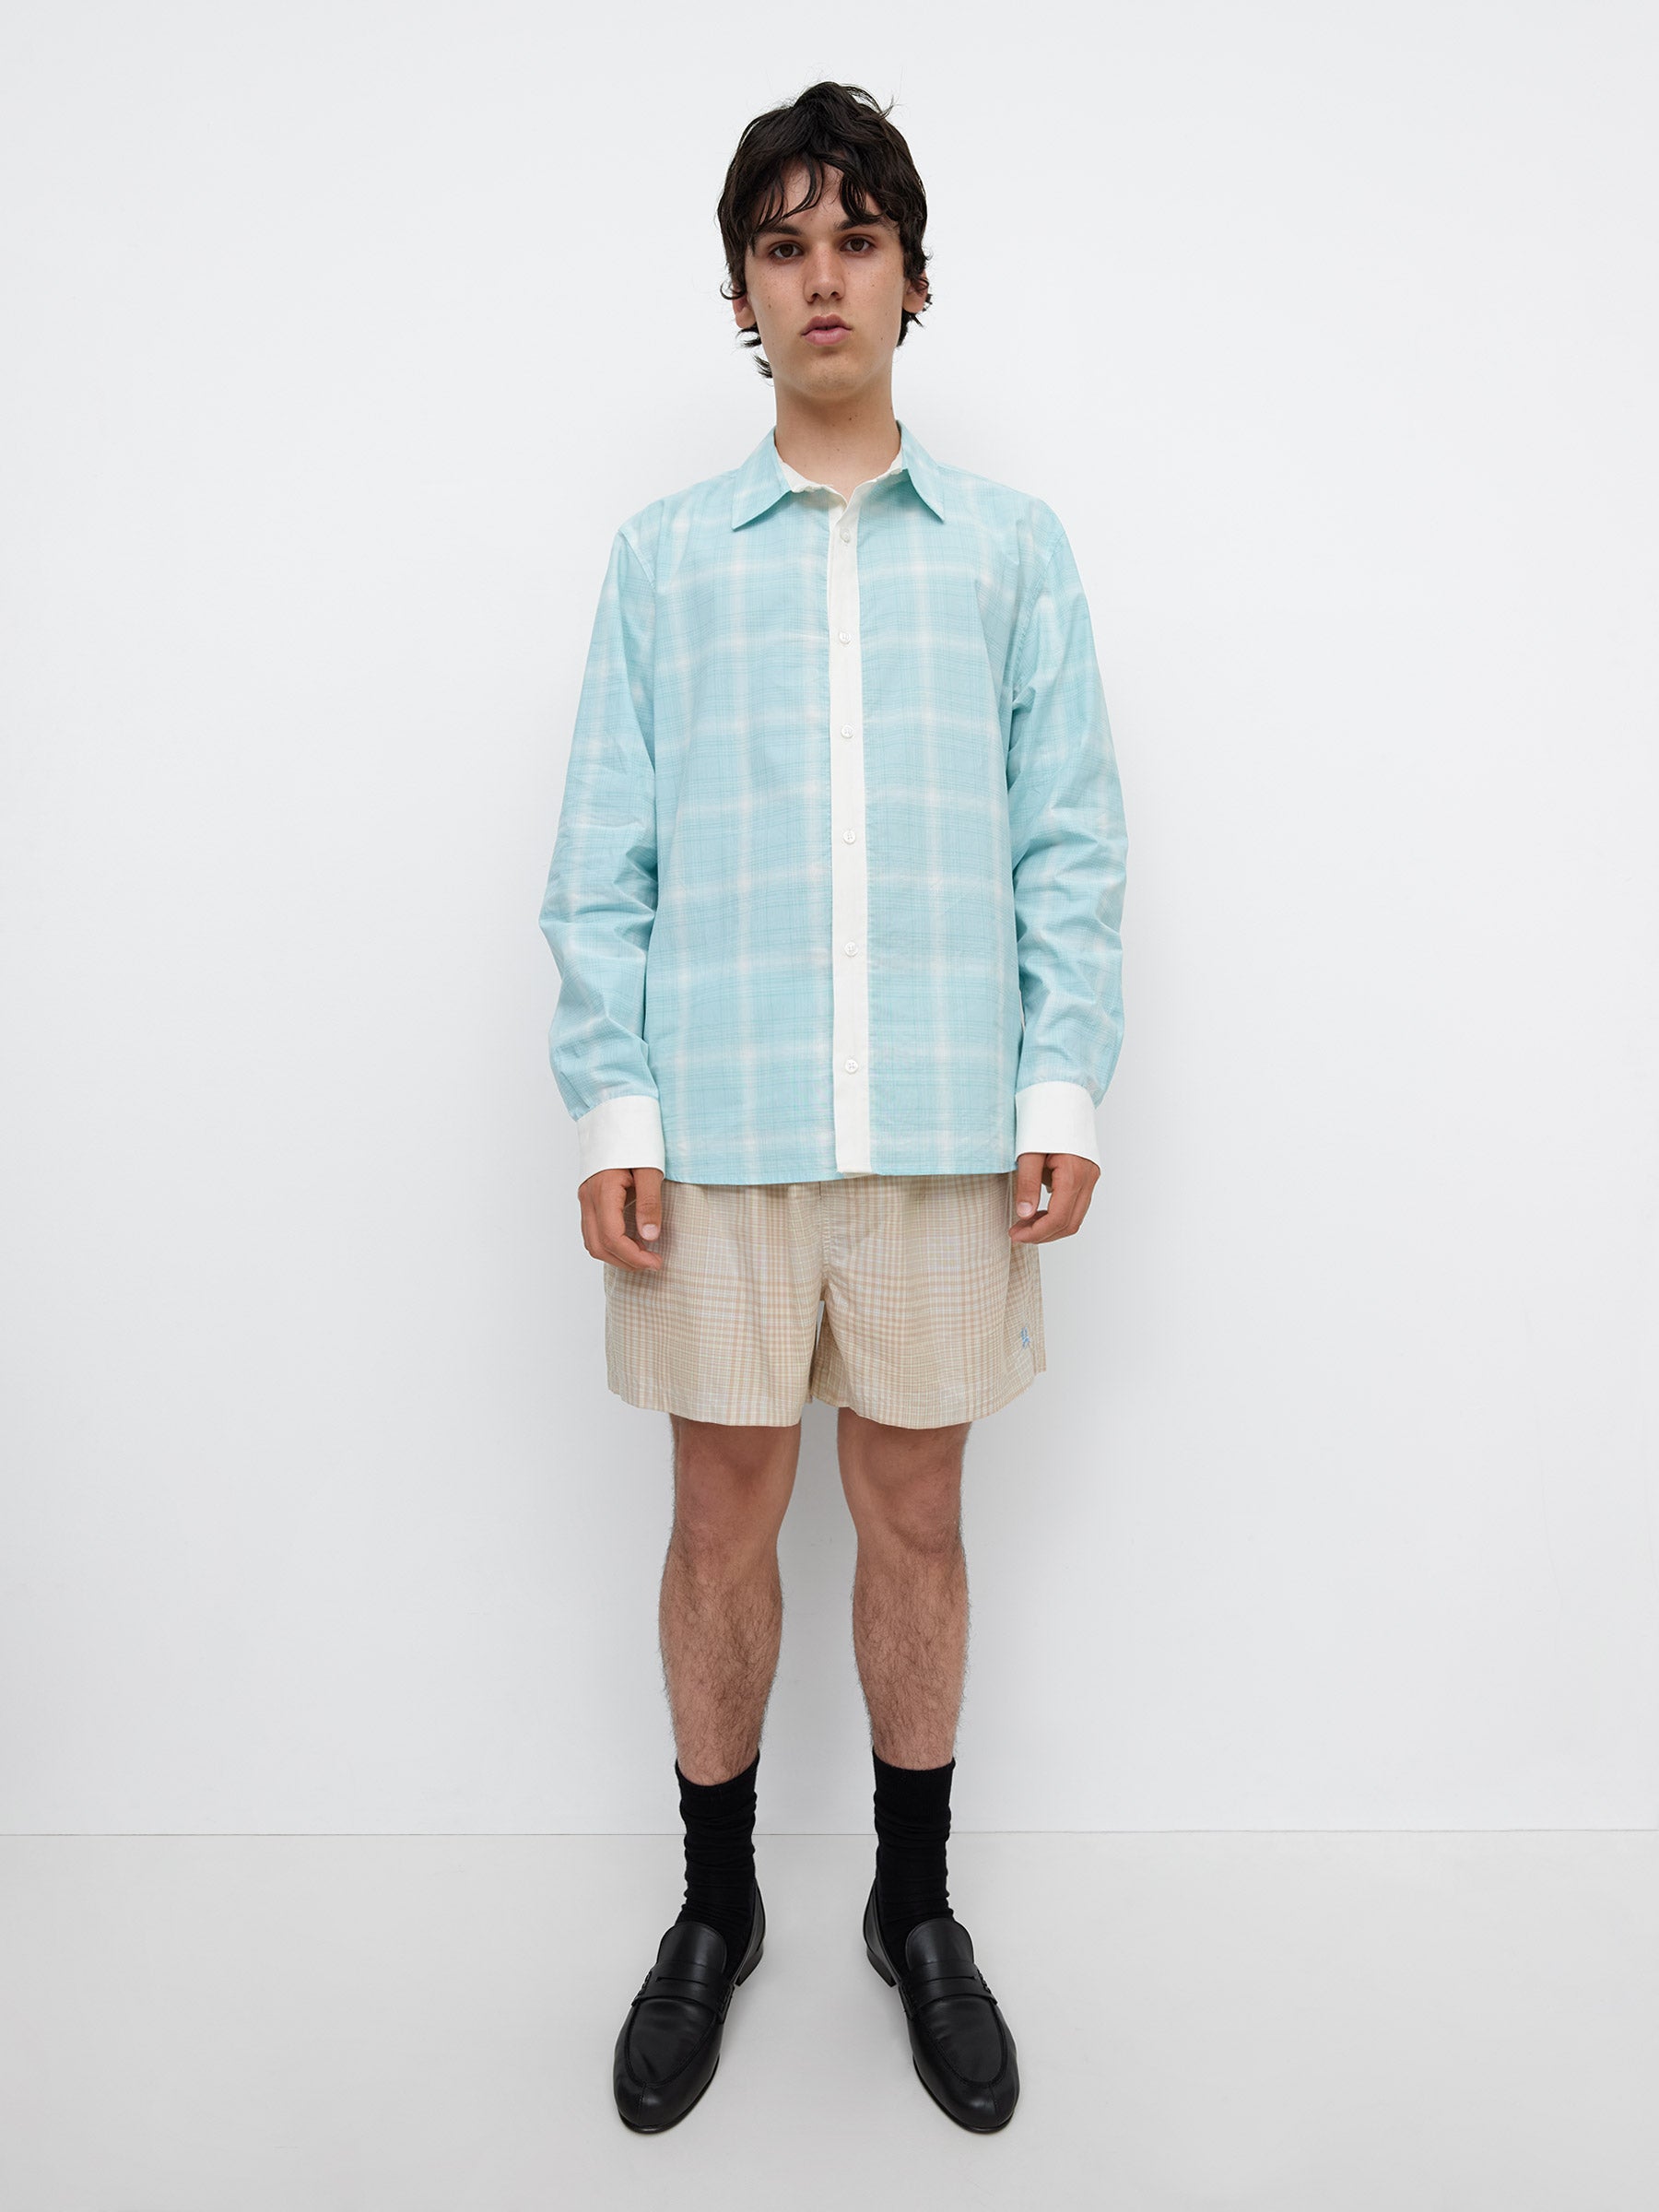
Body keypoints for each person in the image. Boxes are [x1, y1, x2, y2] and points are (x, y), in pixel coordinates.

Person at [538, 79, 1126, 2136]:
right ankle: (717, 1909)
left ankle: (913, 1904)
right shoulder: (664, 563)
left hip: (948, 1130)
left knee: (917, 1516)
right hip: (718, 1137)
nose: (821, 279)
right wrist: (615, 1114)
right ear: (741, 295)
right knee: (717, 1517)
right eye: (782, 247)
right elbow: (602, 856)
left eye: (855, 240)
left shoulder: (1014, 555)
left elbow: (1068, 838)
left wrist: (1060, 1078)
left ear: (911, 279)